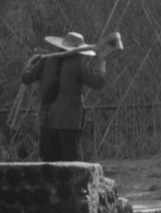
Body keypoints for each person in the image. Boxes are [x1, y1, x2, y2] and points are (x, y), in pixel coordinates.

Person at [20, 29, 124, 162]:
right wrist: (102, 63)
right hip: (69, 123)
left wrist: (29, 64)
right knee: (69, 164)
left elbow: (25, 78)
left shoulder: (45, 61)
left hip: (47, 121)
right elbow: (97, 83)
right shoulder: (78, 64)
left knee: (48, 165)